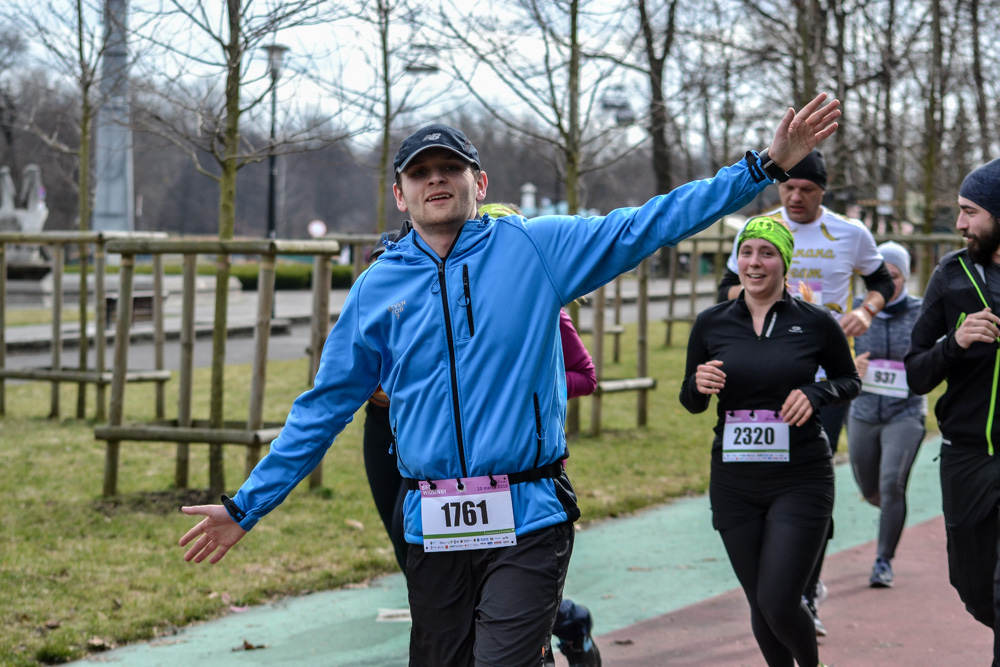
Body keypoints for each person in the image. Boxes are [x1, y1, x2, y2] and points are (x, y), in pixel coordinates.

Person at [177, 93, 840, 666]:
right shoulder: (378, 286)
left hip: (527, 512)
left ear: (480, 182)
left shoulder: (533, 248)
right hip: (433, 521)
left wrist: (762, 168)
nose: (436, 181)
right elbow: (323, 406)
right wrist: (246, 506)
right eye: (421, 173)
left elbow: (648, 224)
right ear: (400, 193)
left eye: (450, 169)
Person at [363, 202, 602, 666]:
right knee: (416, 557)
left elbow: (584, 375)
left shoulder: (529, 292)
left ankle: (558, 627)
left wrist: (513, 391)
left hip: (510, 470)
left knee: (507, 596)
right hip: (406, 449)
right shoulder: (396, 283)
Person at [717, 149, 895, 635]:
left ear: (823, 191)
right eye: (788, 188)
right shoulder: (758, 230)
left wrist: (867, 310)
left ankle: (805, 590)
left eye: (807, 190)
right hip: (763, 376)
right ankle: (775, 587)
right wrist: (767, 292)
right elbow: (725, 290)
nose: (795, 197)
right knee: (766, 483)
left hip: (824, 380)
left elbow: (880, 281)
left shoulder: (851, 233)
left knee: (809, 486)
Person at [681, 216, 860, 667]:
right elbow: (692, 402)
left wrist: (817, 393)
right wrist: (698, 384)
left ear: (784, 262)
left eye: (766, 253)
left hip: (800, 476)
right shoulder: (711, 323)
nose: (754, 263)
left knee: (780, 600)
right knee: (760, 601)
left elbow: (849, 379)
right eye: (746, 252)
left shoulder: (816, 323)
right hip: (734, 480)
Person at [905, 157, 1000, 666]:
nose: (960, 224)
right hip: (966, 456)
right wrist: (955, 342)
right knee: (973, 588)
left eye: (971, 212)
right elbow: (916, 373)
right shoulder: (950, 274)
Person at [846, 241, 926, 588]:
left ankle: (883, 560)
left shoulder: (923, 312)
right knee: (870, 489)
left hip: (905, 412)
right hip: (863, 411)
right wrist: (851, 366)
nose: (888, 283)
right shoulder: (854, 311)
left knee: (891, 483)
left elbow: (939, 356)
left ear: (905, 277)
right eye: (881, 276)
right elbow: (829, 358)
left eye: (895, 276)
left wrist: (920, 368)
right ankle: (892, 514)